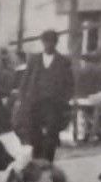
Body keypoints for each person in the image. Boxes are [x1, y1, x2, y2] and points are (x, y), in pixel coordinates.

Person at [17, 30, 74, 162]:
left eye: (52, 42)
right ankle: (36, 161)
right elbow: (25, 80)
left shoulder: (63, 61)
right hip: (35, 102)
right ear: (43, 43)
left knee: (52, 134)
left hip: (54, 104)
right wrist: (23, 98)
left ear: (56, 43)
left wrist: (64, 99)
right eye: (46, 41)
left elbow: (69, 83)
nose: (49, 45)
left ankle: (48, 162)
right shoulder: (34, 59)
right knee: (34, 133)